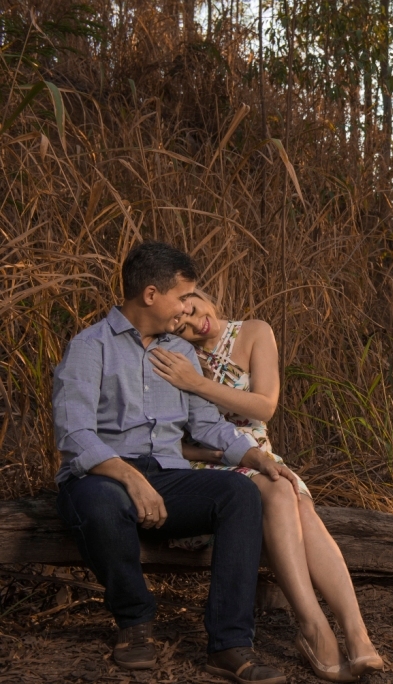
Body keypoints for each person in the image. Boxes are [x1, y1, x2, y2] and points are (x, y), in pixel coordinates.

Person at [53, 241, 291, 684]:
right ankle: (135, 623)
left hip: (167, 477)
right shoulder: (90, 347)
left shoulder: (178, 353)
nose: (187, 307)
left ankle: (229, 644)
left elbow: (206, 425)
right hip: (102, 477)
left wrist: (256, 457)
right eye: (182, 296)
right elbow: (74, 435)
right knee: (101, 502)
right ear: (150, 294)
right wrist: (129, 477)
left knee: (240, 493)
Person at [146, 290, 384, 682]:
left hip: (259, 453)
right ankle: (314, 628)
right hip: (207, 464)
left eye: (192, 308)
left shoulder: (255, 332)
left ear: (202, 295)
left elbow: (264, 406)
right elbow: (171, 435)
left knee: (296, 501)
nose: (194, 321)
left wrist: (197, 384)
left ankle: (356, 633)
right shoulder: (176, 355)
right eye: (182, 324)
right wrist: (188, 378)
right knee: (279, 492)